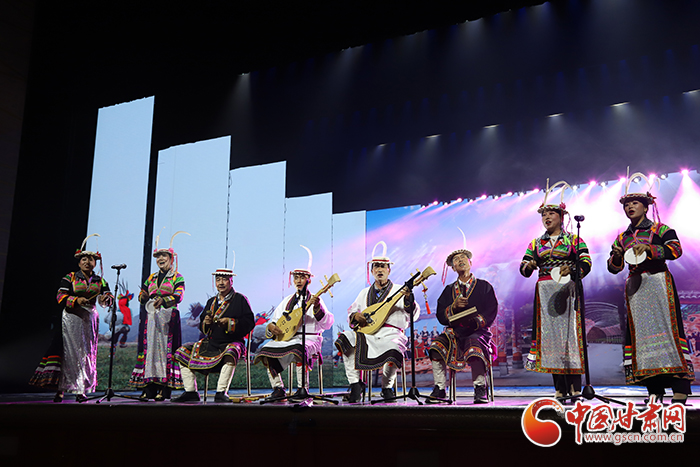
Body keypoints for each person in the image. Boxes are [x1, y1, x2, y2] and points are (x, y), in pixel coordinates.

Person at [607, 175, 694, 404]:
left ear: (646, 207)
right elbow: (614, 268)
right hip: (636, 289)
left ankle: (680, 389)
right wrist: (616, 257)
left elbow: (676, 250)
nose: (630, 207)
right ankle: (654, 391)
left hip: (658, 284)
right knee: (643, 339)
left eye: (635, 203)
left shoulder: (661, 229)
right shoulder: (622, 237)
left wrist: (651, 249)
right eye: (627, 204)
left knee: (668, 333)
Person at [520, 181, 591, 399]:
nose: (547, 217)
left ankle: (575, 387)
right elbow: (523, 269)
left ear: (561, 216)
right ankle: (559, 388)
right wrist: (530, 265)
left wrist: (573, 269)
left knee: (570, 337)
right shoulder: (535, 243)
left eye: (551, 213)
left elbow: (586, 263)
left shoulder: (573, 239)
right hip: (545, 293)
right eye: (544, 214)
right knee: (550, 339)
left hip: (567, 291)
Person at [30, 234, 113, 402]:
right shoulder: (70, 277)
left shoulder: (100, 281)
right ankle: (61, 389)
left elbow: (108, 296)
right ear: (79, 262)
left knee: (86, 353)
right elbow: (60, 296)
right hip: (72, 318)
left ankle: (81, 390)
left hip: (90, 318)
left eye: (90, 259)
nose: (87, 262)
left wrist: (106, 299)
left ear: (95, 263)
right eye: (84, 259)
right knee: (68, 352)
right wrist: (76, 300)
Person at [335, 241, 419, 403]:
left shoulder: (400, 290)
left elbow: (413, 314)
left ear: (389, 270)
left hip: (391, 334)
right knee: (346, 339)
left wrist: (409, 298)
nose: (380, 270)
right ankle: (356, 384)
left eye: (383, 267)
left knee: (394, 348)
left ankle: (387, 387)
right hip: (368, 334)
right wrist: (356, 316)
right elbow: (352, 312)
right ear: (372, 271)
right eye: (376, 267)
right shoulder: (364, 292)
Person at [254, 246, 334, 399]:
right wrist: (271, 327)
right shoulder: (287, 301)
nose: (298, 280)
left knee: (299, 349)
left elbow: (327, 323)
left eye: (302, 277)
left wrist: (317, 307)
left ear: (309, 280)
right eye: (296, 277)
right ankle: (278, 388)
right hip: (288, 338)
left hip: (311, 338)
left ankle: (302, 389)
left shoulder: (316, 299)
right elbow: (275, 321)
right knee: (266, 350)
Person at [173, 267, 255, 402]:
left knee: (231, 351)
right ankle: (191, 391)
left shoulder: (240, 299)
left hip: (232, 342)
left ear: (231, 281)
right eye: (218, 280)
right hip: (211, 343)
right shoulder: (211, 301)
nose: (221, 283)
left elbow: (249, 322)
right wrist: (206, 322)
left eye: (224, 279)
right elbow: (202, 325)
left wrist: (230, 323)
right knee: (182, 351)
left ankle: (221, 392)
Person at [429, 247, 498, 404]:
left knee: (475, 346)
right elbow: (440, 314)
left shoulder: (484, 286)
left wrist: (474, 322)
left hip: (478, 331)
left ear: (470, 263)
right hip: (455, 333)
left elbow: (491, 310)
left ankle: (480, 388)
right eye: (456, 260)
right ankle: (440, 388)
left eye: (463, 258)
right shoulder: (448, 290)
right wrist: (453, 307)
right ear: (453, 268)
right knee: (436, 346)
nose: (460, 260)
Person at [129, 231, 189, 401]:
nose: (160, 259)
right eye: (158, 257)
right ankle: (148, 388)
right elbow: (143, 293)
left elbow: (179, 296)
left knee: (164, 352)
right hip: (151, 318)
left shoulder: (177, 277)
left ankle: (164, 388)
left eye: (164, 256)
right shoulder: (151, 277)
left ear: (171, 259)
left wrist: (164, 300)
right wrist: (143, 297)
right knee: (150, 351)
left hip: (168, 317)